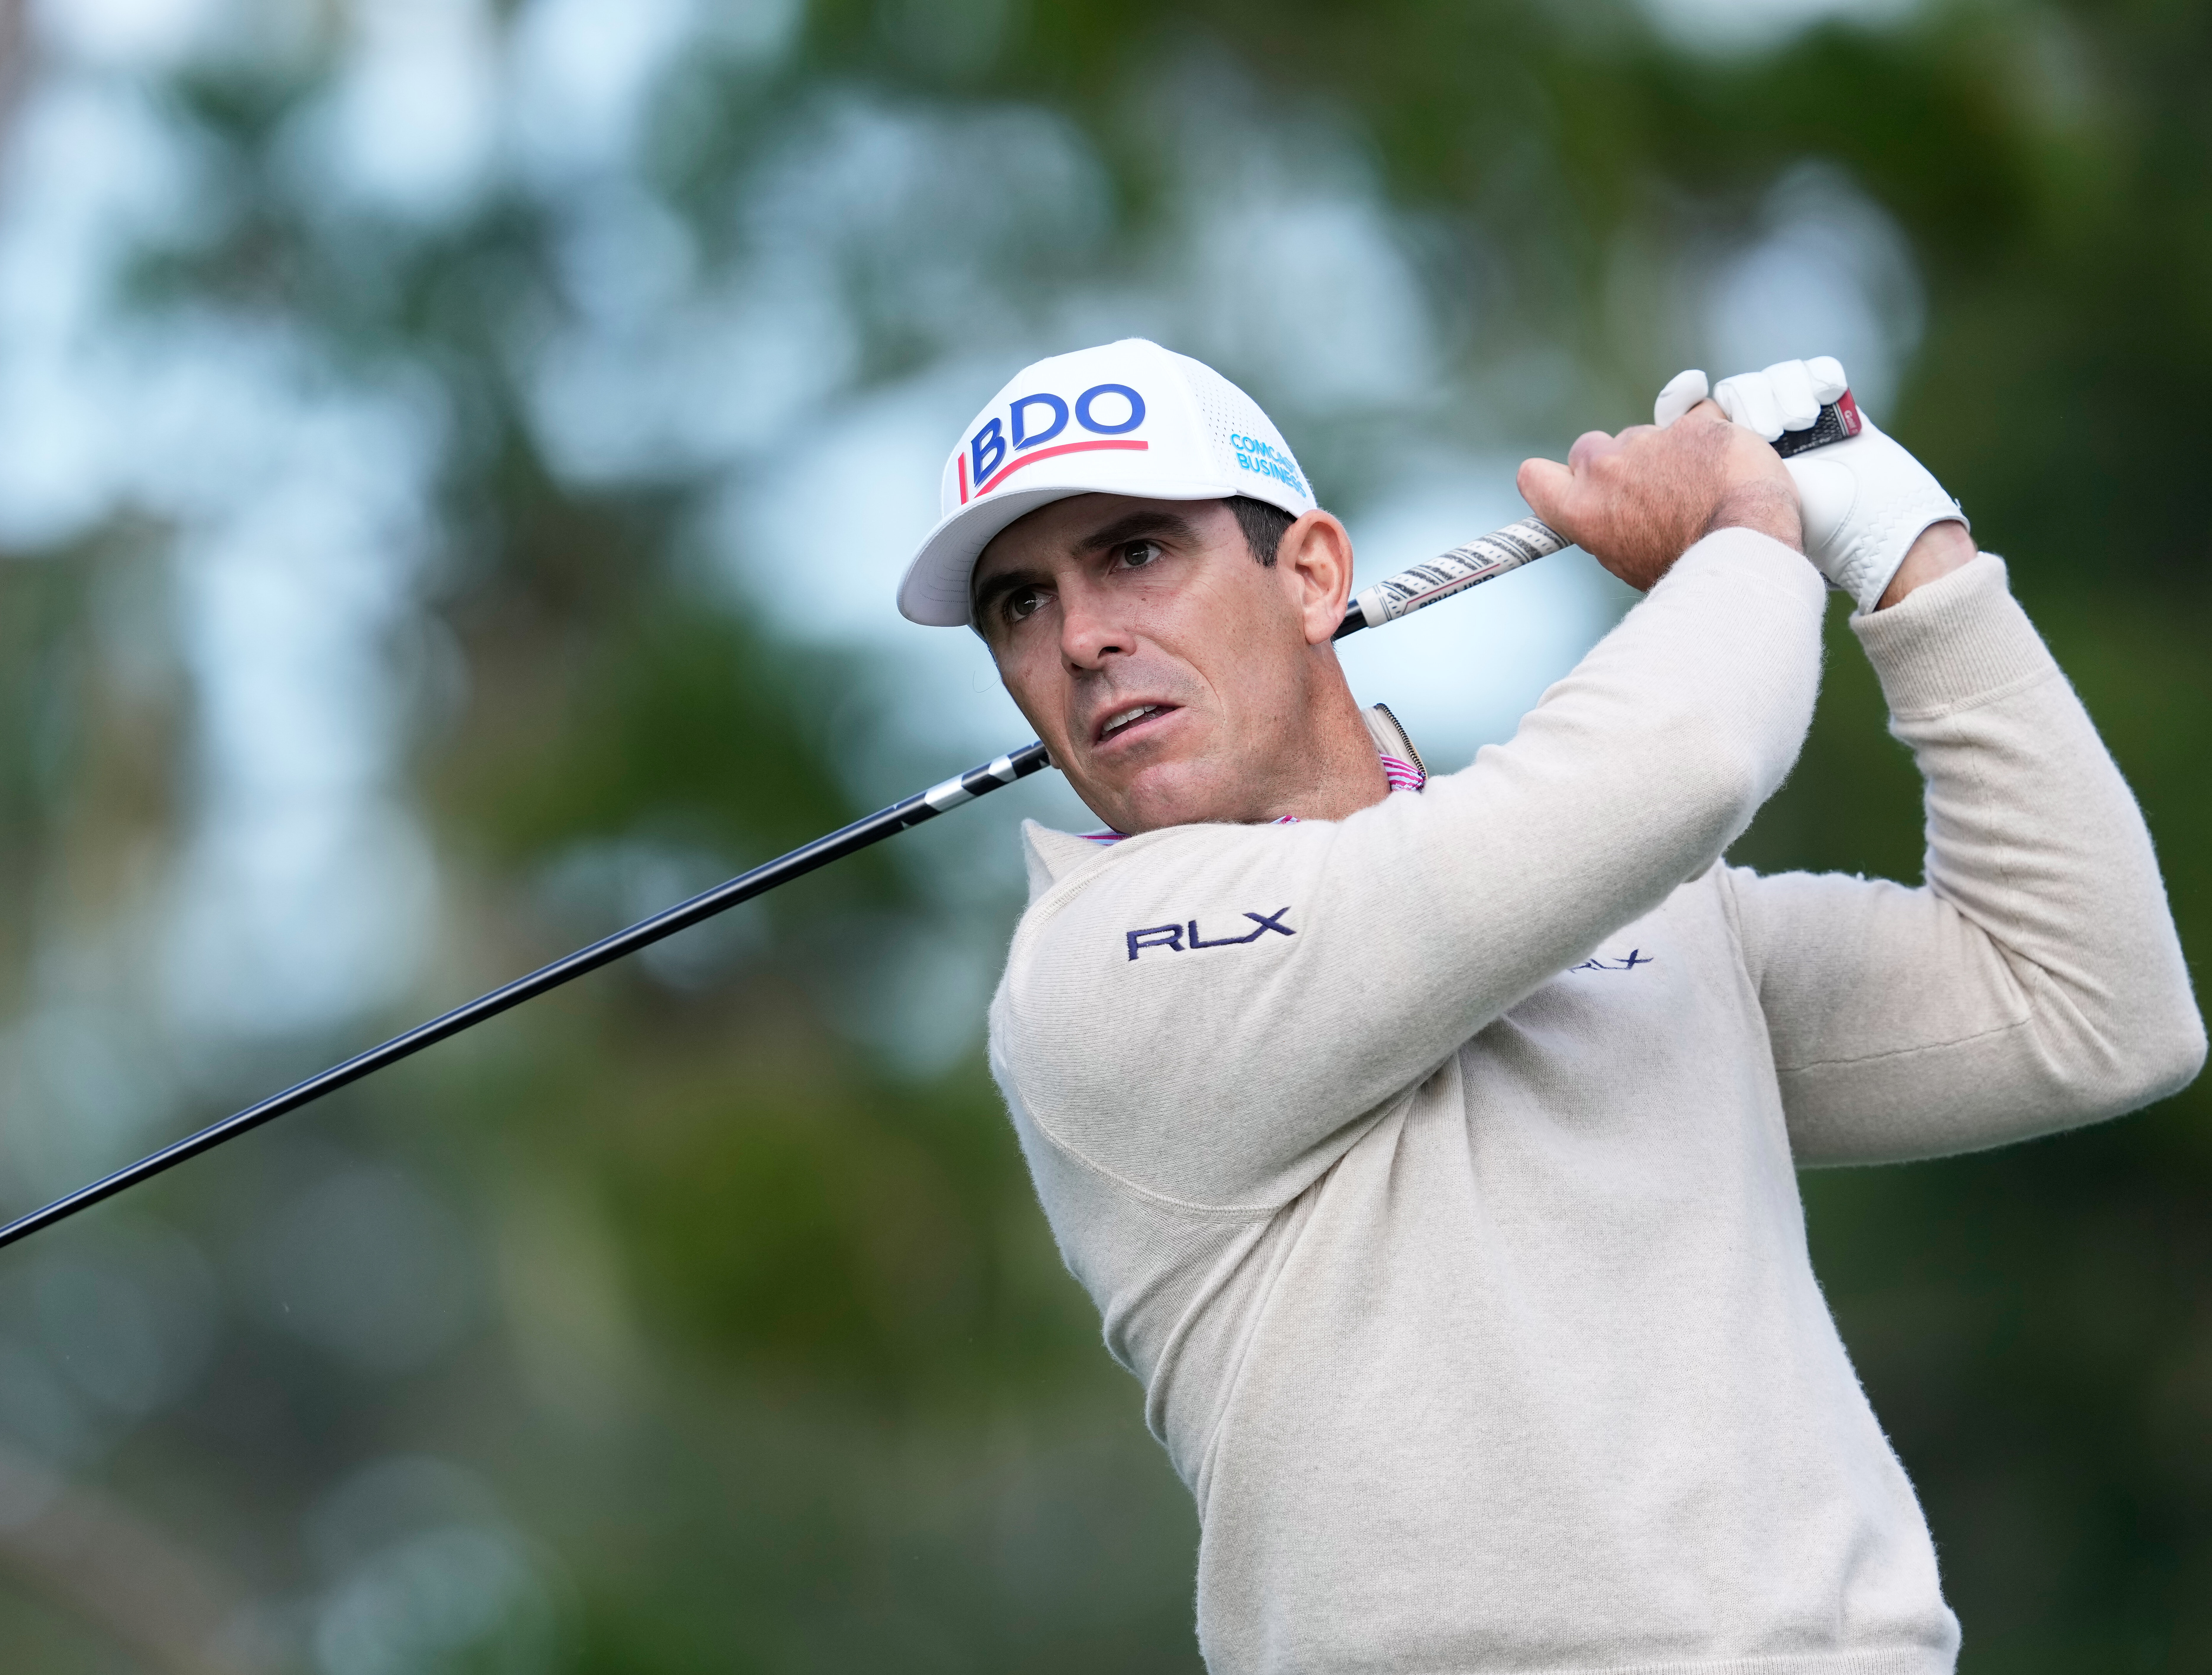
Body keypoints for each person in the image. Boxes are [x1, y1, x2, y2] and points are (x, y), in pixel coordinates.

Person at [895, 337, 2204, 1675]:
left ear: (1311, 576)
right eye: (1017, 605)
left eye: (1131, 554)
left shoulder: (1640, 906)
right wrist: (1746, 525)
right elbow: (1679, 760)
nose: (1081, 637)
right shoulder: (1096, 969)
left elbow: (2089, 1009)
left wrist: (1905, 552)